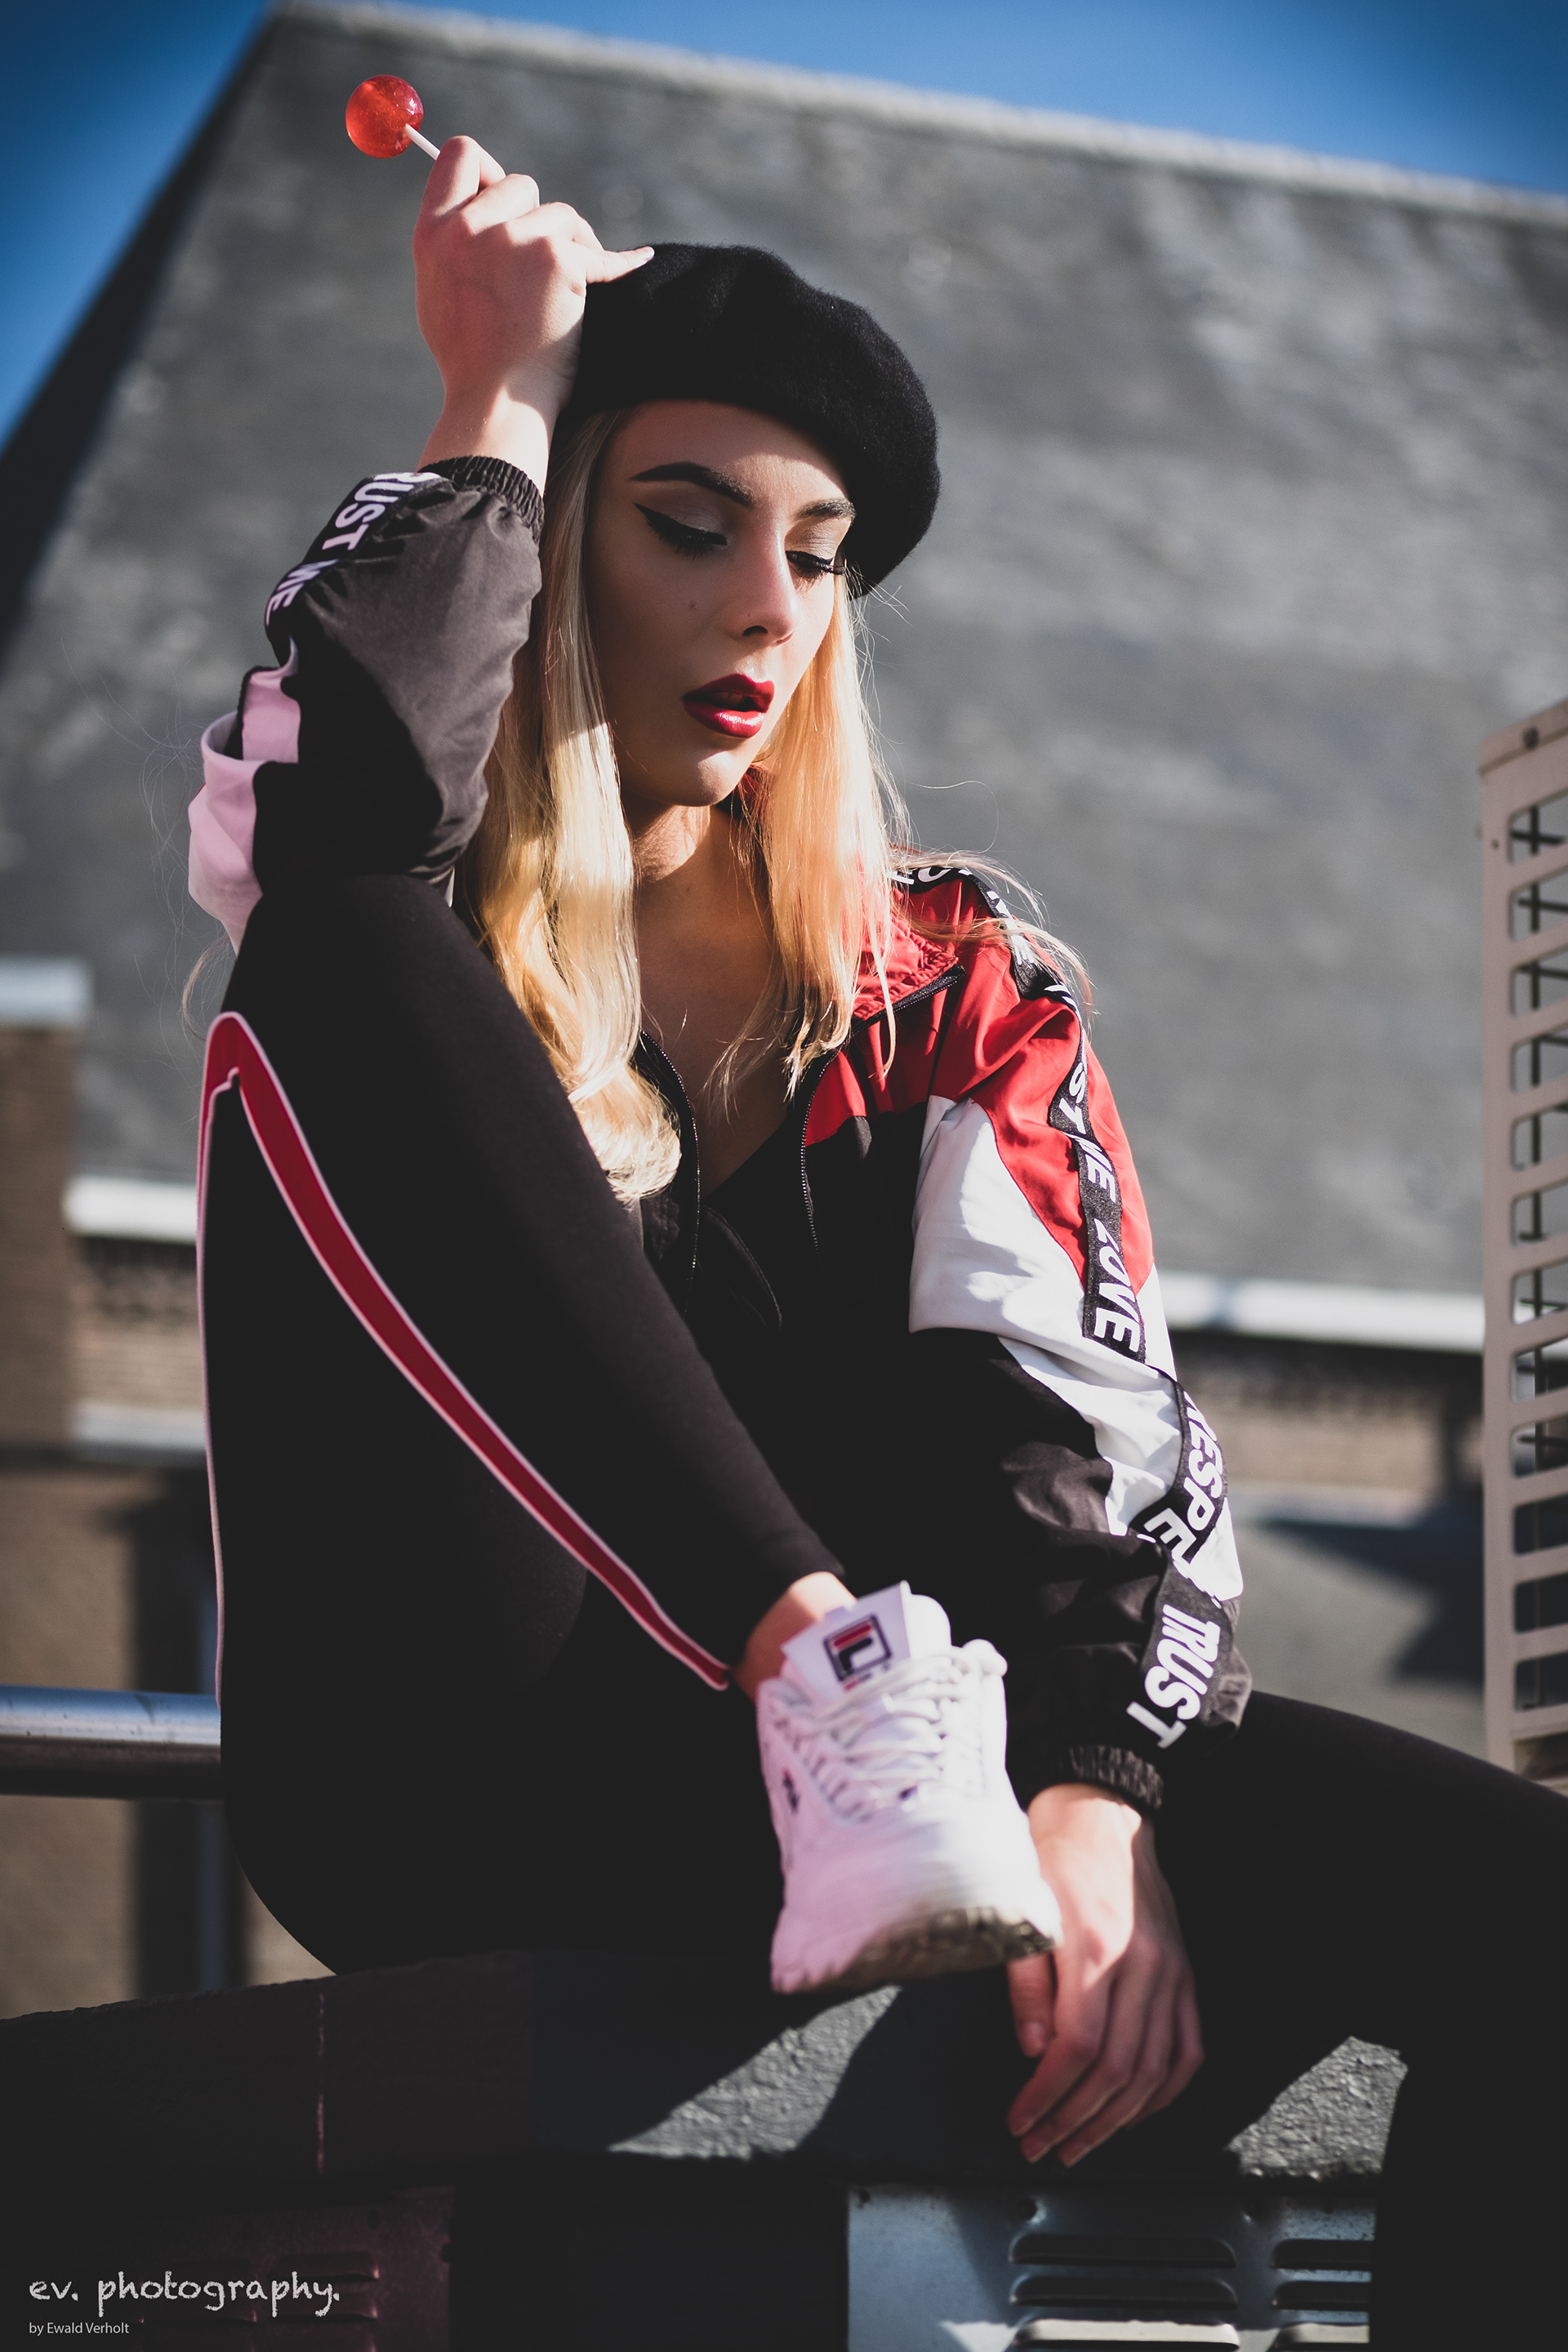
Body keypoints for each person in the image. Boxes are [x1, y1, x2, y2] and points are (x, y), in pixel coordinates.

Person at [189, 140, 1567, 2341]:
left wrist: (1098, 1792)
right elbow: (342, 800)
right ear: (553, 541)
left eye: (819, 557)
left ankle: (885, 1725)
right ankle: (828, 1665)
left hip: (917, 1800)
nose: (768, 606)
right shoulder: (382, 890)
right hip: (466, 1765)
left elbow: (1078, 1422)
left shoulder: (944, 981)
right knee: (340, 944)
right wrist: (499, 393)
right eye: (686, 523)